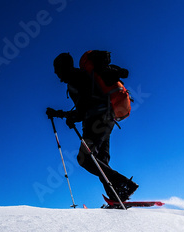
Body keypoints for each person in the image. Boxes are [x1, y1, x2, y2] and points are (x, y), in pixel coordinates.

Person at [46, 51, 138, 202]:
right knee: (100, 160)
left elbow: (86, 107)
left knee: (85, 159)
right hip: (107, 118)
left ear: (64, 67)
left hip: (97, 121)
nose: (56, 73)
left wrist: (69, 116)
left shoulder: (76, 79)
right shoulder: (82, 76)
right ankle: (116, 196)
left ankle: (124, 184)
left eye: (57, 69)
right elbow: (86, 105)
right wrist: (64, 115)